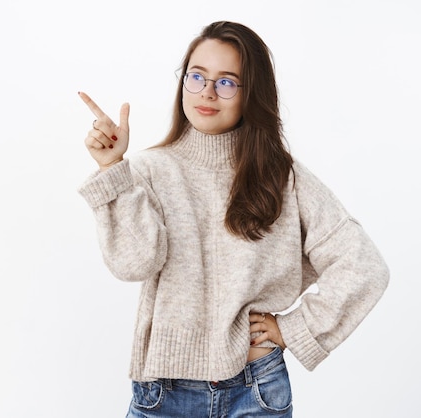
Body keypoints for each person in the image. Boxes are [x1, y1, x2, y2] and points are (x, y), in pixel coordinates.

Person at [77, 21, 389, 418]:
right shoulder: (149, 171)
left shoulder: (281, 176)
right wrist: (112, 169)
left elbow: (364, 266)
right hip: (163, 392)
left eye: (227, 82)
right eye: (197, 76)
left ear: (251, 93)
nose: (207, 92)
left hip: (255, 387)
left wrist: (294, 330)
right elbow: (134, 263)